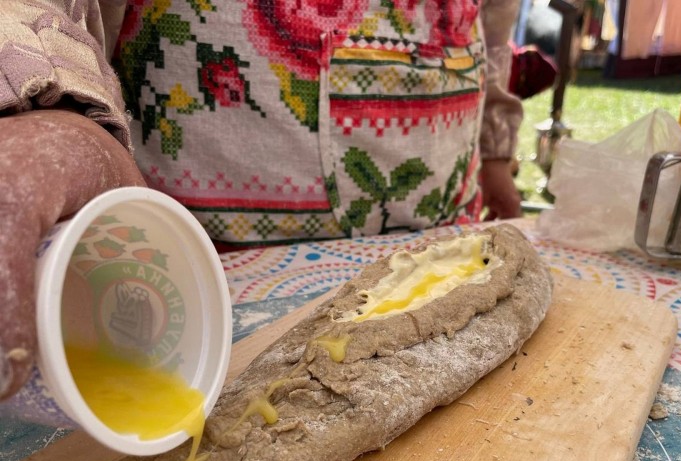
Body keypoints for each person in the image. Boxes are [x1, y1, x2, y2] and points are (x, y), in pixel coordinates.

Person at [0, 0, 524, 400]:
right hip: (207, 277)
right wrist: (45, 96)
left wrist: (496, 149)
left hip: (445, 229)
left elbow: (497, 18)